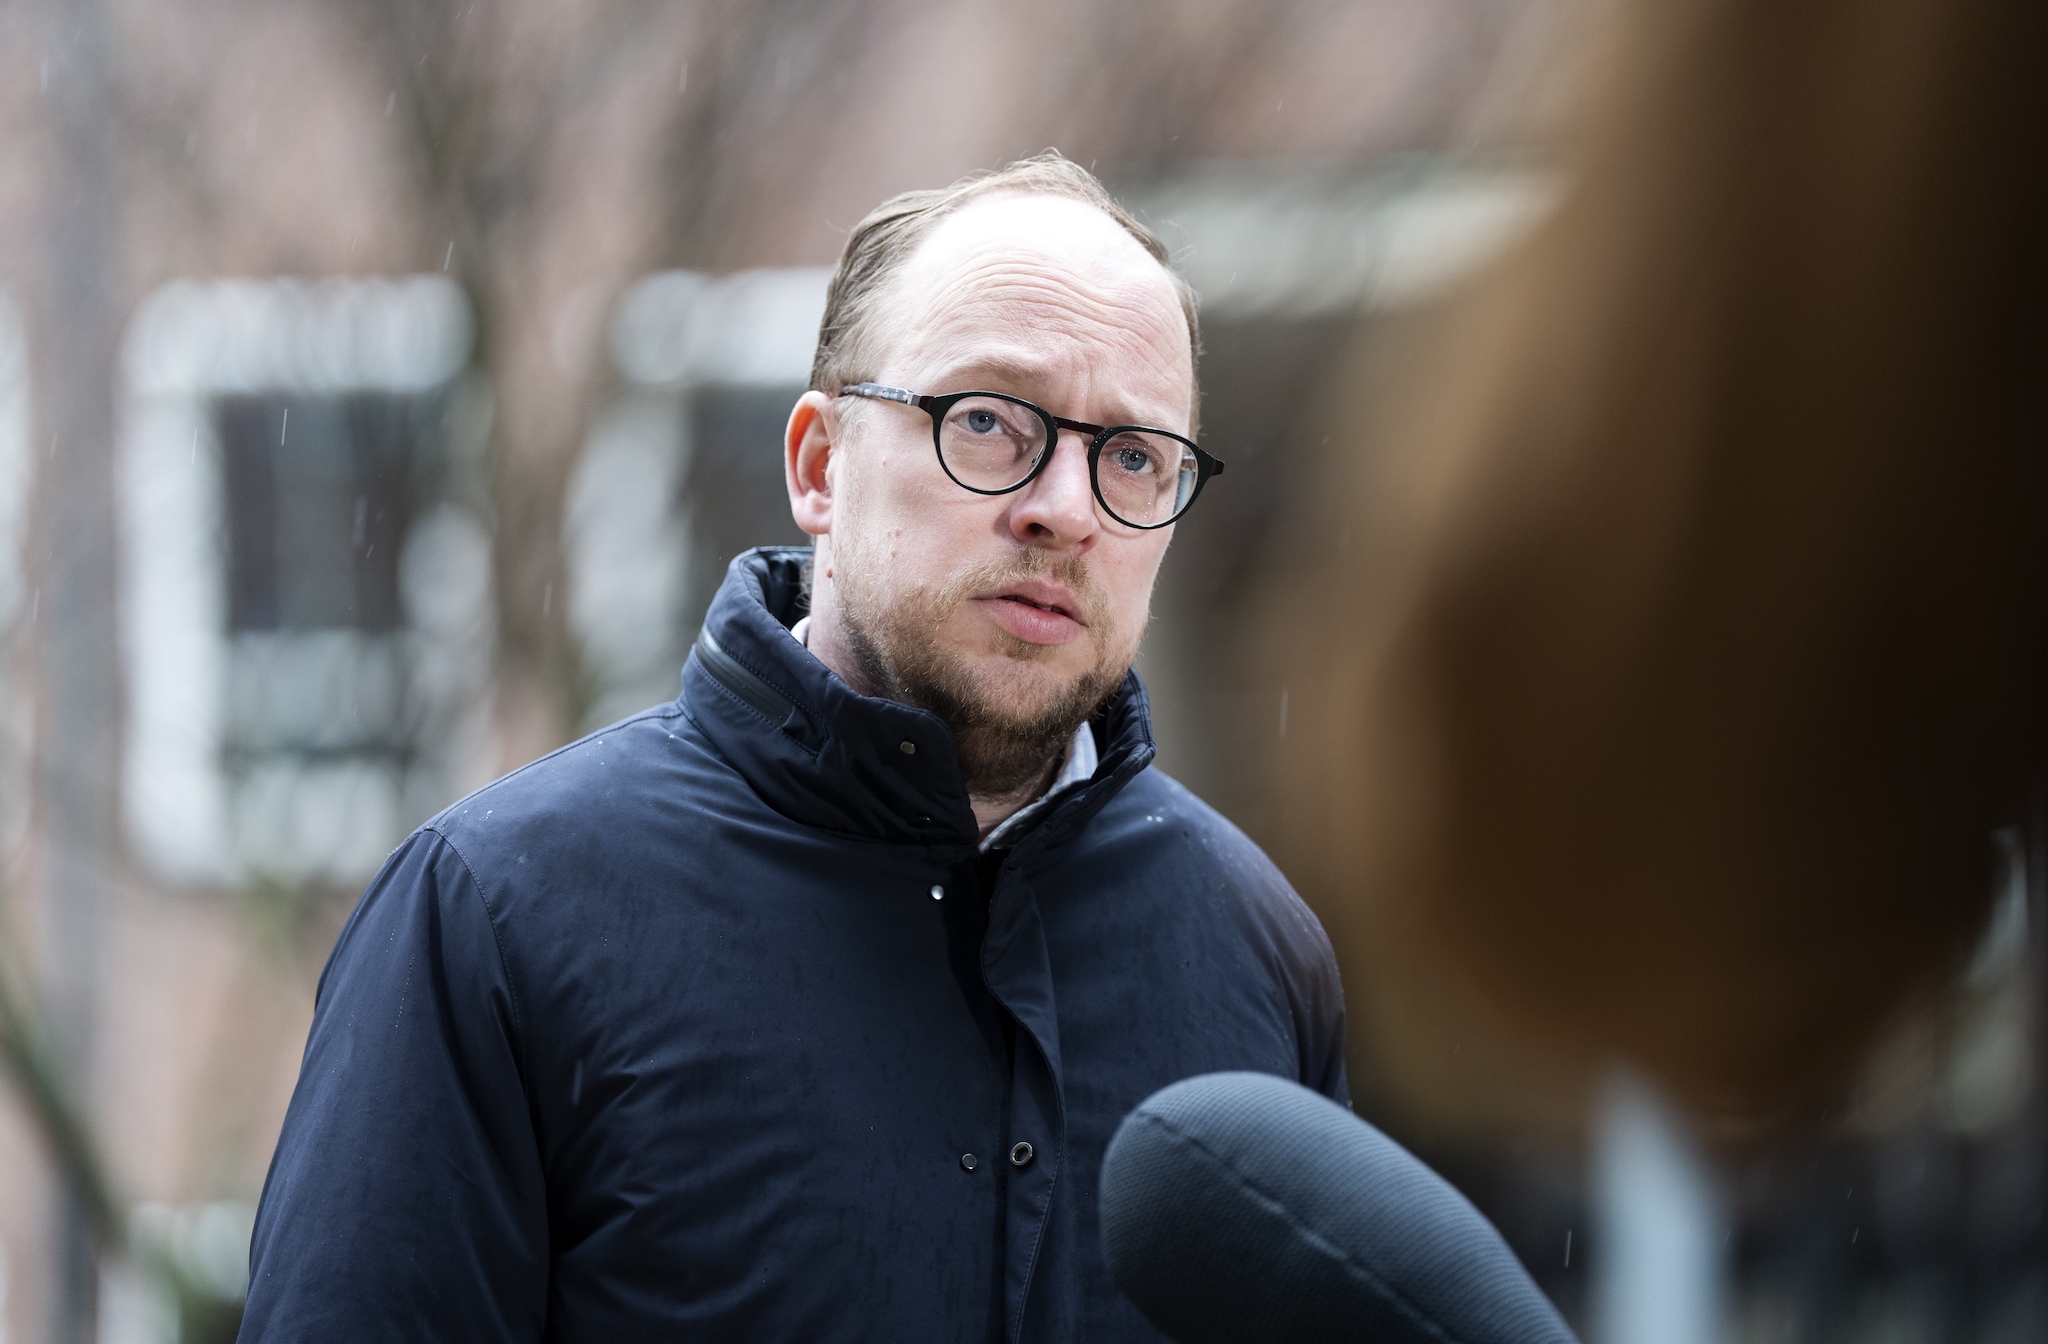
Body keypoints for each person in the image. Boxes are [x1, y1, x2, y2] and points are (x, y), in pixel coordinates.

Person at [240, 152, 1347, 1343]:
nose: (1065, 509)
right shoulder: (494, 917)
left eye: (1132, 455)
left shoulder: (1258, 955)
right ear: (819, 468)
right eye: (986, 422)